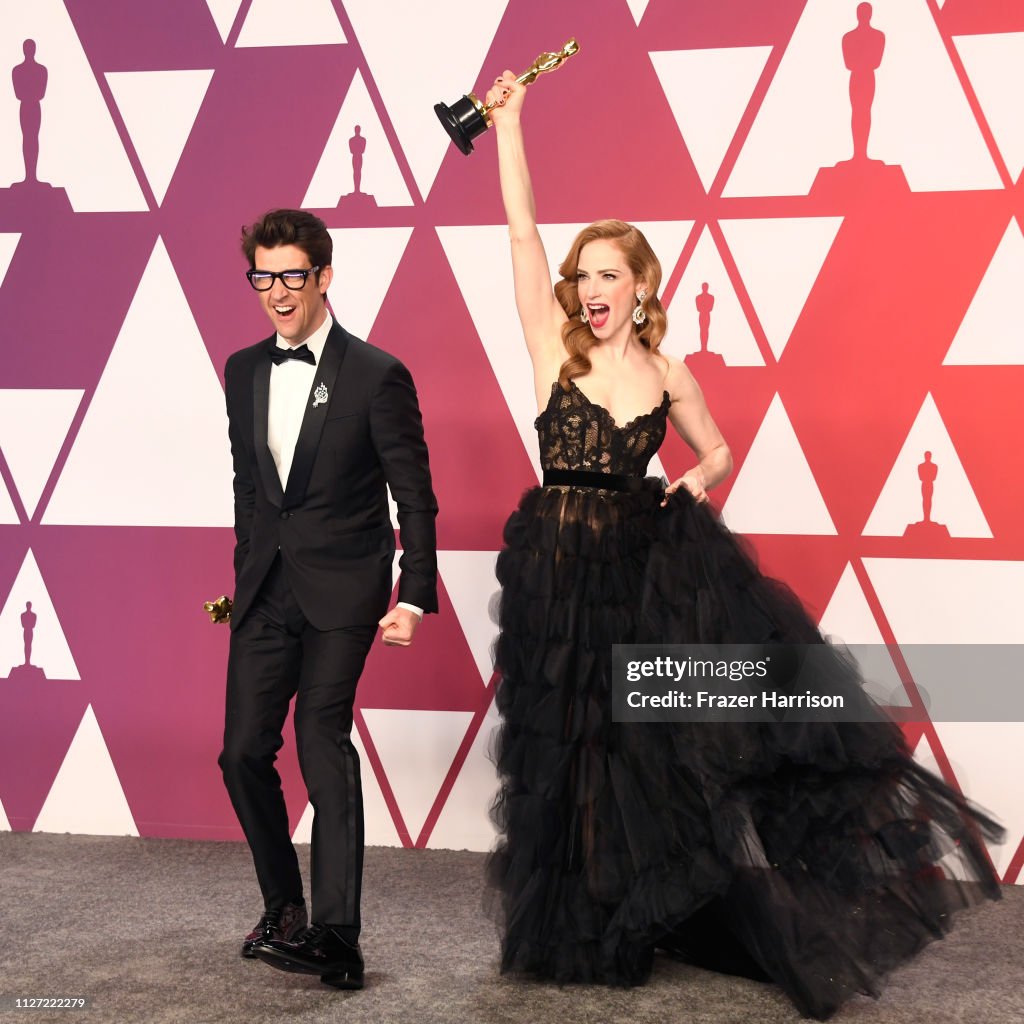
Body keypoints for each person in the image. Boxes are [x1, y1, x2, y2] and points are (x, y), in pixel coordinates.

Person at [482, 71, 1003, 1021]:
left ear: (641, 287)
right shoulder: (549, 346)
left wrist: (694, 478)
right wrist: (510, 125)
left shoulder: (668, 367)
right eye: (583, 273)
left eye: (609, 273)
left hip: (640, 572)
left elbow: (718, 447)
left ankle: (633, 914)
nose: (590, 287)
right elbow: (521, 230)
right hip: (555, 575)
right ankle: (575, 921)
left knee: (638, 750)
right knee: (565, 746)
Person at [219, 208, 438, 990]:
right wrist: (244, 570)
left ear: (324, 276)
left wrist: (413, 595)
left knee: (321, 740)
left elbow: (415, 495)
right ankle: (284, 909)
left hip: (347, 590)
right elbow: (250, 488)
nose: (277, 292)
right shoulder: (242, 369)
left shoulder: (378, 374)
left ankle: (338, 936)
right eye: (263, 277)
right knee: (241, 751)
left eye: (292, 276)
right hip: (265, 594)